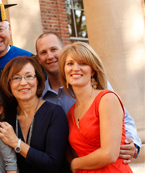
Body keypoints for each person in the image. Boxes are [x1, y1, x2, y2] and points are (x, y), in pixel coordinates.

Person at [59, 41, 145, 173]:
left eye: (82, 63)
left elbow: (109, 154)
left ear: (93, 71)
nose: (76, 68)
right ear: (64, 72)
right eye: (70, 63)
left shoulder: (107, 99)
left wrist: (75, 164)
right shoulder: (69, 113)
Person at [35, 32, 142, 162]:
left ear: (63, 51)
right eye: (43, 52)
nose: (50, 56)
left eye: (53, 49)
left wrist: (133, 144)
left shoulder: (96, 86)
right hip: (62, 169)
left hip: (99, 164)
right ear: (38, 59)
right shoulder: (39, 96)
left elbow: (124, 118)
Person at [0, 56, 71, 173]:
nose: (23, 83)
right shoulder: (8, 120)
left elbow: (53, 163)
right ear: (9, 84)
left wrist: (16, 143)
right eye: (16, 78)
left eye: (29, 76)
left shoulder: (54, 113)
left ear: (38, 80)